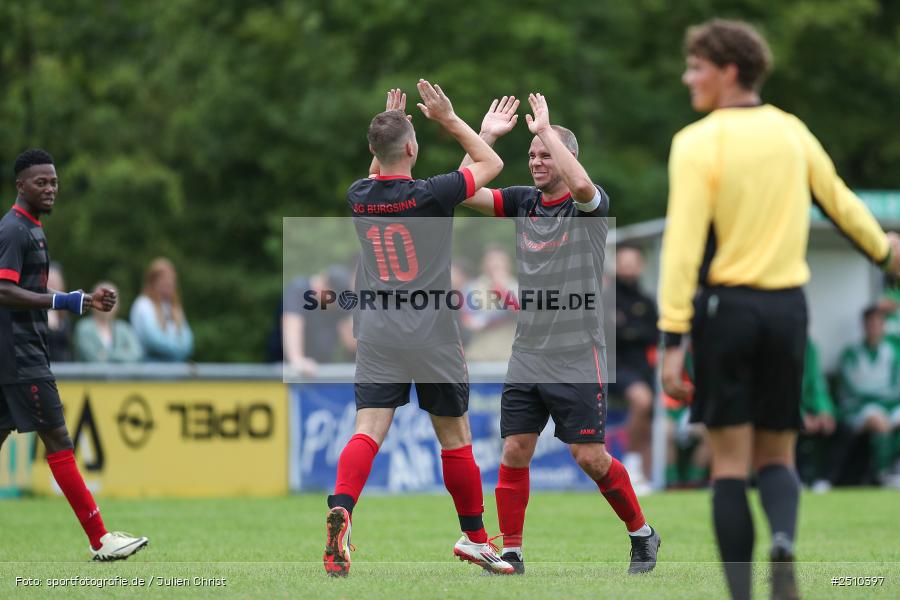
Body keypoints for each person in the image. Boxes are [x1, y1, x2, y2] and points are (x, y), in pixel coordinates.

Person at [657, 20, 900, 600]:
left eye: (696, 66)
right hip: (788, 312)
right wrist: (886, 252)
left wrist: (672, 338)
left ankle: (743, 592)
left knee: (730, 465)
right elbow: (839, 200)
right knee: (779, 453)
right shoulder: (793, 131)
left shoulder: (697, 141)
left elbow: (684, 246)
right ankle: (783, 540)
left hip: (727, 312)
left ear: (728, 71)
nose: (688, 76)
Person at [460, 94, 660, 574]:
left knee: (589, 457)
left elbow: (585, 183)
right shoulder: (523, 202)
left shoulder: (588, 209)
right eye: (531, 155)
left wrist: (547, 130)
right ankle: (512, 552)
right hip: (528, 351)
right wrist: (484, 137)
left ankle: (642, 535)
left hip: (577, 353)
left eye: (545, 154)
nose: (535, 161)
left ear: (567, 157)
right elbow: (465, 191)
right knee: (514, 449)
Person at [323, 82, 512, 576]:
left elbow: (378, 171)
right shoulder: (431, 194)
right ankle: (474, 538)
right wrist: (449, 119)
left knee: (367, 431)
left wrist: (388, 124)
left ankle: (342, 507)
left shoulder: (359, 195)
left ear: (372, 151)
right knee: (456, 438)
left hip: (379, 332)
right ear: (413, 148)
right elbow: (490, 166)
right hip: (432, 334)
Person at [0, 149, 148, 560]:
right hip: (20, 355)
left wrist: (80, 300)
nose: (50, 189)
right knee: (59, 439)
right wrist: (63, 301)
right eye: (40, 182)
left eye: (54, 182)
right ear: (20, 185)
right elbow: (3, 289)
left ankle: (101, 538)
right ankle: (101, 539)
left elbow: (31, 288)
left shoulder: (32, 229)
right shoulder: (13, 230)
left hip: (15, 352)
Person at [609, 245, 658, 489]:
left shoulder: (647, 301)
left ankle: (644, 480)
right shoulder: (605, 296)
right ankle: (630, 464)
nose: (628, 267)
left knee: (650, 420)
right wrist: (631, 332)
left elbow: (654, 334)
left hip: (642, 369)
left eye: (632, 262)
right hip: (614, 369)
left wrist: (628, 330)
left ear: (641, 266)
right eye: (623, 262)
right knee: (642, 400)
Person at [838, 307, 900, 486]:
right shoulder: (851, 353)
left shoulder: (893, 351)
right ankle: (882, 472)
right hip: (860, 407)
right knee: (876, 419)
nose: (874, 327)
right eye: (870, 323)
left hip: (891, 404)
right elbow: (856, 389)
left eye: (878, 323)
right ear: (864, 326)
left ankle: (896, 468)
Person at [282, 265, 355, 376]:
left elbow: (351, 341)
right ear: (323, 285)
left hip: (321, 370)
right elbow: (292, 325)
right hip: (286, 370)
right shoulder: (298, 289)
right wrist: (297, 360)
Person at [460, 246, 518, 361]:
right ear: (484, 264)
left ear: (508, 265)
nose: (495, 265)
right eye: (491, 261)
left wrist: (499, 287)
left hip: (507, 355)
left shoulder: (516, 286)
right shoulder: (472, 287)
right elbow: (466, 319)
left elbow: (519, 311)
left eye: (499, 262)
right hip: (479, 355)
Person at [130, 257, 193, 361]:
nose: (170, 285)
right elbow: (153, 340)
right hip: (150, 366)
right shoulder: (143, 304)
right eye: (166, 281)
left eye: (172, 280)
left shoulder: (174, 307)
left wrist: (181, 350)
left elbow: (187, 340)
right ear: (153, 282)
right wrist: (178, 350)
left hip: (175, 366)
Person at [74, 281, 143, 362]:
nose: (108, 302)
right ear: (92, 300)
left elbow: (137, 354)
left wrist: (107, 355)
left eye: (112, 299)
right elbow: (93, 359)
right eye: (103, 298)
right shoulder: (83, 328)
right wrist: (122, 356)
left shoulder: (124, 328)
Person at [46, 262, 74, 362]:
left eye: (55, 282)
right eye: (50, 282)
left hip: (65, 369)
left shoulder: (65, 315)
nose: (52, 286)